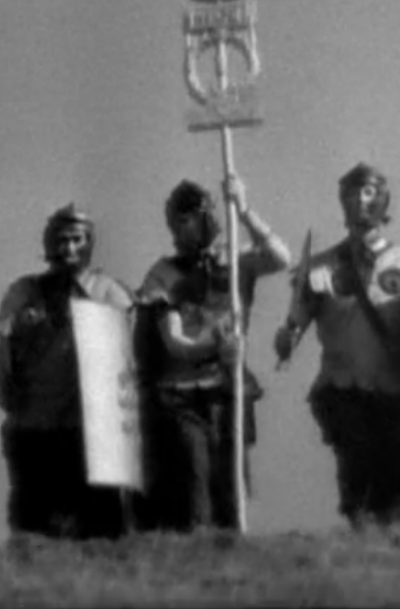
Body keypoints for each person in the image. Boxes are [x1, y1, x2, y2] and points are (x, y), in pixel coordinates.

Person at [273, 162, 400, 527]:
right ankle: (364, 550)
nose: (362, 200)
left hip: (397, 392)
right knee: (360, 480)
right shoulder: (321, 267)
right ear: (343, 201)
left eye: (371, 192)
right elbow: (293, 329)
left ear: (384, 201)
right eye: (354, 193)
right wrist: (285, 340)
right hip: (346, 389)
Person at [135, 174, 290, 531]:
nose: (182, 230)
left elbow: (280, 257)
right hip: (184, 394)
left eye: (190, 219)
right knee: (195, 481)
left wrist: (245, 208)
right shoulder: (164, 274)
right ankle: (197, 553)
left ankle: (232, 566)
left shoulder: (233, 260)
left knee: (232, 484)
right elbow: (174, 341)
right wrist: (215, 347)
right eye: (178, 221)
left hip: (229, 388)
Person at [0, 203, 134, 540]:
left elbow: (128, 356)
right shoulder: (25, 291)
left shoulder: (109, 292)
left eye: (76, 239)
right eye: (61, 240)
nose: (68, 248)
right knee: (34, 524)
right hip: (34, 423)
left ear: (89, 243)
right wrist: (7, 389)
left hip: (89, 428)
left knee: (100, 526)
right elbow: (3, 345)